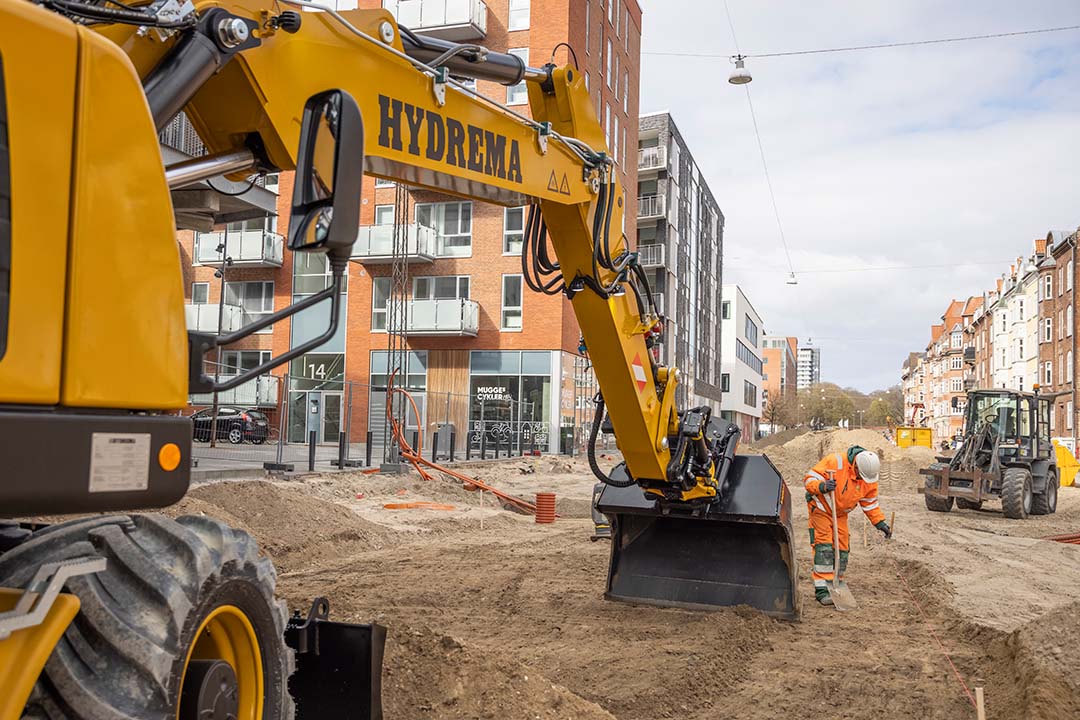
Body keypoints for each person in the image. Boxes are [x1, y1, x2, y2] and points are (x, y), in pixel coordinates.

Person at [803, 446, 891, 606]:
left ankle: (836, 582)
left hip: (840, 513)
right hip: (821, 507)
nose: (861, 479)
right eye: (859, 474)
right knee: (824, 546)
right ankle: (822, 589)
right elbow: (809, 480)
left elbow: (870, 503)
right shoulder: (835, 462)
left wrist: (880, 523)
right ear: (856, 466)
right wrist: (822, 486)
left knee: (843, 548)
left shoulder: (869, 477)